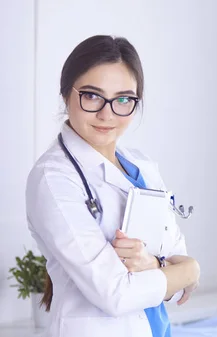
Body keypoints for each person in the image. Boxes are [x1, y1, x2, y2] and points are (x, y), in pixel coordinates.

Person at [25, 35, 201, 337]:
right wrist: (189, 270)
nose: (107, 114)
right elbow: (116, 294)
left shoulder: (143, 167)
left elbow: (174, 283)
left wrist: (155, 264)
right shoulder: (53, 179)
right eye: (92, 96)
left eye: (123, 99)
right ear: (67, 94)